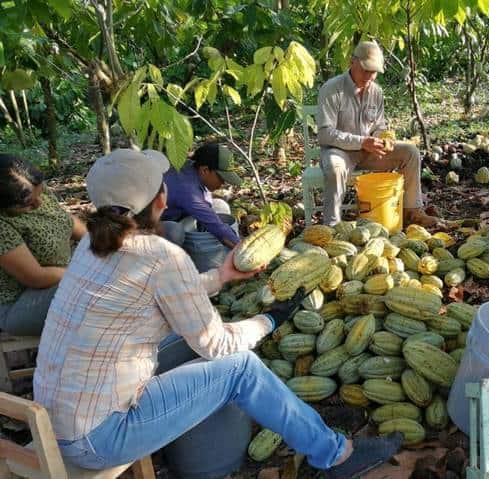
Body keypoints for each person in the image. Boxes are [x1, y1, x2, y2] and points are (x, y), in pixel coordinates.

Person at [33, 148, 402, 478]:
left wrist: (221, 276)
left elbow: (160, 295)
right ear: (160, 199)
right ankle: (337, 455)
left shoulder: (90, 246)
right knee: (240, 368)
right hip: (99, 437)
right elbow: (217, 346)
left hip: (55, 423)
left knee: (186, 336)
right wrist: (270, 319)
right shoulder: (161, 256)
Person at [318, 41, 440, 227]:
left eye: (373, 72)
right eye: (365, 70)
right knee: (335, 168)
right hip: (339, 152)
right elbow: (326, 134)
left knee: (410, 152)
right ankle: (332, 225)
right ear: (352, 62)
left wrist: (384, 137)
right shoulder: (332, 89)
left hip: (368, 152)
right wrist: (362, 142)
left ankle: (412, 212)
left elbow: (378, 125)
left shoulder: (376, 92)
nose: (369, 76)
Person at [0, 154, 86, 336]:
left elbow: (64, 220)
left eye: (39, 194)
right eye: (29, 204)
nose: (39, 204)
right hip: (18, 303)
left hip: (63, 277)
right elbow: (36, 277)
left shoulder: (37, 189)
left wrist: (100, 240)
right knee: (99, 290)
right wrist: (84, 273)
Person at [162, 142, 242, 271]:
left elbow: (206, 205)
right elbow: (217, 227)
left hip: (177, 213)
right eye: (221, 178)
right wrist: (245, 251)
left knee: (220, 206)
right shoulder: (187, 190)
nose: (223, 183)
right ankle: (166, 269)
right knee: (174, 232)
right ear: (205, 170)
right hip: (146, 226)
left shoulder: (191, 167)